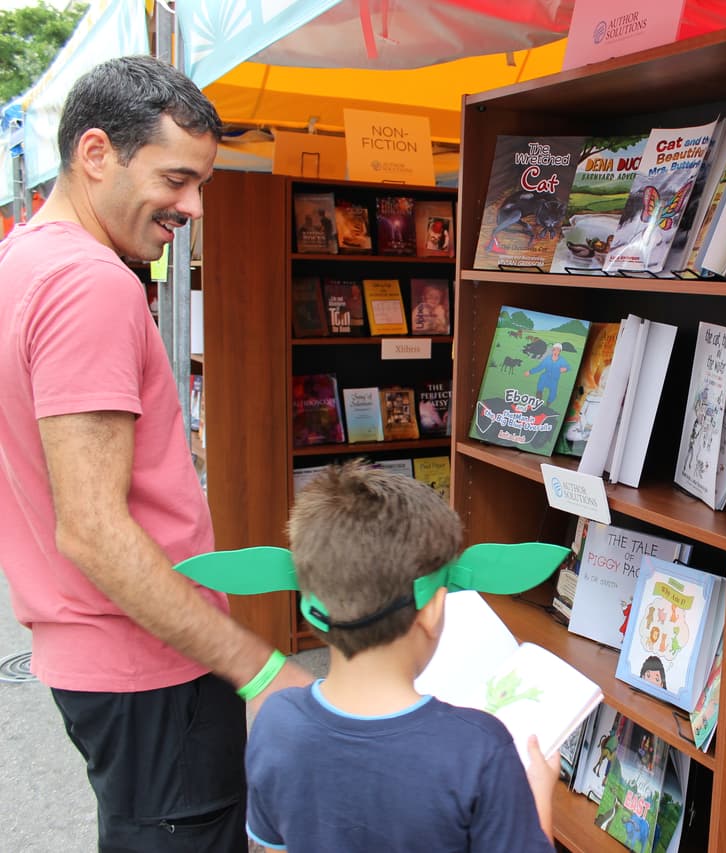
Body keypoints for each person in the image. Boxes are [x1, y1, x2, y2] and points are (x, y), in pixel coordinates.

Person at [0, 55, 311, 851]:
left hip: (100, 655)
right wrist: (260, 665)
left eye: (201, 182)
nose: (195, 206)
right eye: (176, 179)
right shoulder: (89, 283)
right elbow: (94, 528)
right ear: (96, 152)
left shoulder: (24, 262)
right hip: (149, 661)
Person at [245, 462, 557, 850]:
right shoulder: (481, 749)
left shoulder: (275, 722)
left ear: (312, 610)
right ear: (432, 611)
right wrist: (538, 794)